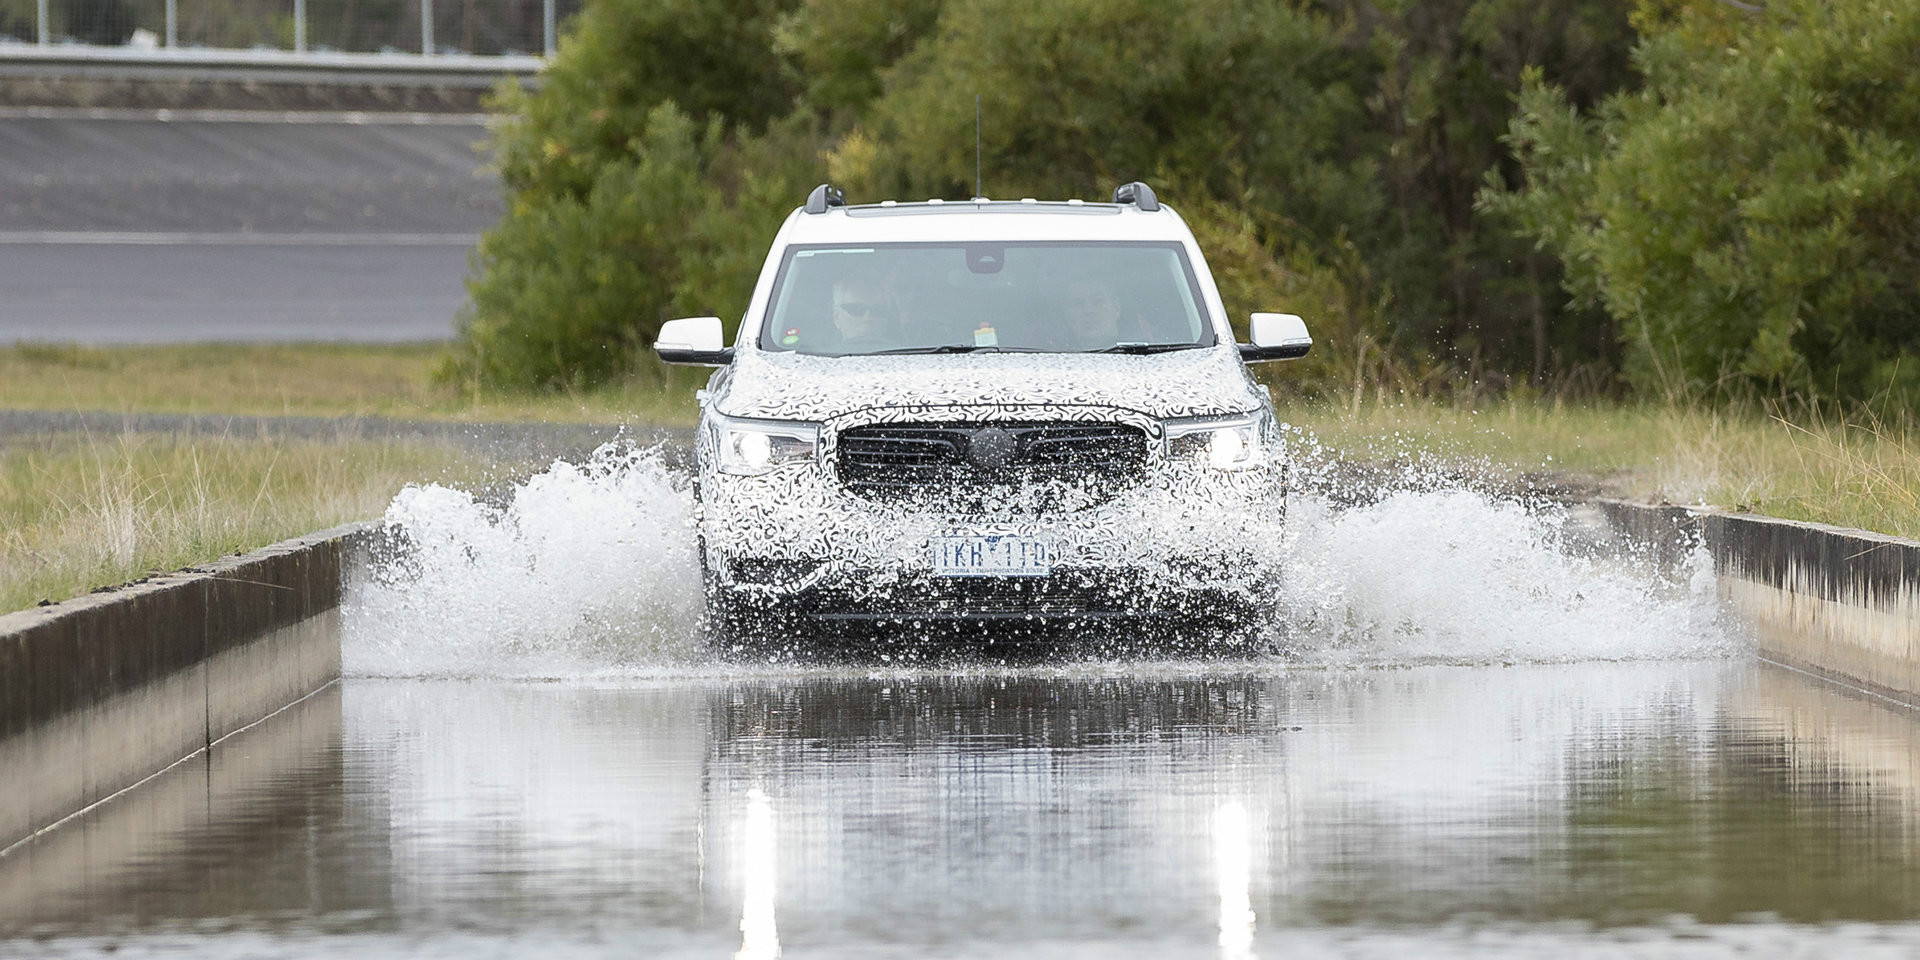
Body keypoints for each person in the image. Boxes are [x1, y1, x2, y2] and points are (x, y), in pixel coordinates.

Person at [830, 272, 898, 353]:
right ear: (836, 317)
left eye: (877, 311)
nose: (867, 318)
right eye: (856, 309)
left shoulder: (908, 359)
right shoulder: (818, 360)